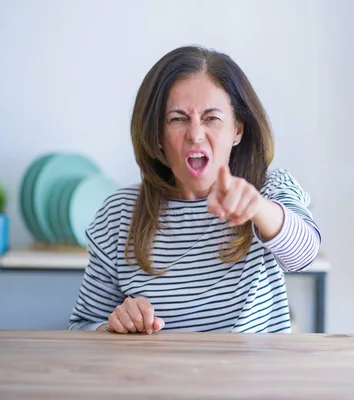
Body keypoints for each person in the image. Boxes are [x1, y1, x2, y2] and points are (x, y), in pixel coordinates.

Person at [67, 45, 321, 334]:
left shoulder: (270, 189)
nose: (196, 134)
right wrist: (113, 326)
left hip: (251, 377)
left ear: (237, 129)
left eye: (212, 118)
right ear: (157, 135)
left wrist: (258, 208)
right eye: (177, 119)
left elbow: (305, 254)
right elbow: (80, 327)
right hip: (157, 378)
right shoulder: (118, 213)